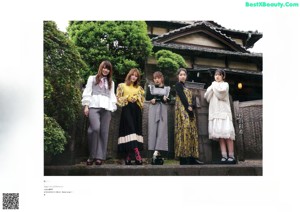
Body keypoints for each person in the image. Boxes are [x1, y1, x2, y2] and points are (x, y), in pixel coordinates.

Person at [81, 60, 117, 165]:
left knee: (104, 132)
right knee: (95, 129)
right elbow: (87, 92)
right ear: (101, 67)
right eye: (104, 68)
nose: (106, 70)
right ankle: (91, 155)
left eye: (108, 68)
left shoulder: (111, 82)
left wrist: (113, 106)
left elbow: (111, 95)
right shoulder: (92, 78)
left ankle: (99, 157)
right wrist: (86, 106)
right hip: (93, 106)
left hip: (106, 109)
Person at [204, 69, 236, 164]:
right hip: (215, 112)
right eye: (215, 75)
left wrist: (213, 85)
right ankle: (224, 156)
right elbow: (206, 96)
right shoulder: (213, 85)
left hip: (224, 112)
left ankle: (231, 156)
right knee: (220, 136)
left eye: (219, 75)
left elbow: (221, 93)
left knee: (228, 135)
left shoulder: (225, 85)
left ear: (223, 76)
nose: (217, 76)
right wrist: (213, 86)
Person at [174, 68, 203, 165]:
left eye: (184, 75)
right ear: (178, 76)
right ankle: (184, 157)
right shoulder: (178, 85)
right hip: (183, 112)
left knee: (192, 133)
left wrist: (192, 106)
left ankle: (192, 157)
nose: (182, 76)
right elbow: (182, 97)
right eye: (181, 74)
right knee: (184, 132)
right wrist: (188, 107)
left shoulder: (186, 87)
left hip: (190, 112)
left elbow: (191, 99)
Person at [116, 68, 145, 165]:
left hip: (136, 110)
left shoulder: (139, 88)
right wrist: (127, 98)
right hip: (126, 109)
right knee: (130, 130)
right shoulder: (121, 86)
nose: (134, 77)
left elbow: (142, 101)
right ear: (129, 75)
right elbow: (117, 98)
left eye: (136, 76)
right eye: (133, 74)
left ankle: (128, 156)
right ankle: (137, 154)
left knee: (135, 131)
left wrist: (136, 98)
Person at [146, 71, 170, 165]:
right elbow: (148, 97)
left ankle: (158, 152)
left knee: (162, 130)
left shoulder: (167, 89)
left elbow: (169, 99)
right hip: (153, 110)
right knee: (152, 130)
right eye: (155, 78)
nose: (156, 80)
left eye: (158, 78)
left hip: (163, 110)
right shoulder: (150, 88)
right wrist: (154, 99)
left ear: (162, 78)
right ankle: (153, 153)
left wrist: (164, 99)